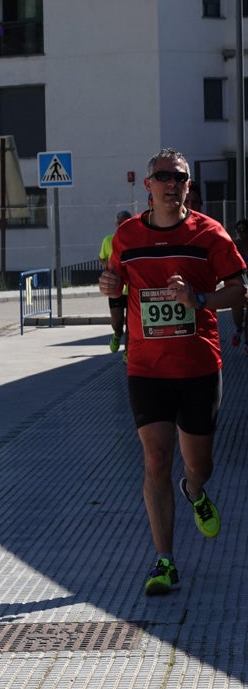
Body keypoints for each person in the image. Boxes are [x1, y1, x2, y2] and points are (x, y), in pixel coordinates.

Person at [99, 147, 247, 597]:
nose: (171, 183)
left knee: (197, 464)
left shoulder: (211, 234)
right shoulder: (126, 236)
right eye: (163, 176)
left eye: (179, 177)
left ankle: (195, 491)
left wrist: (199, 301)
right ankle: (165, 560)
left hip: (199, 366)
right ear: (148, 186)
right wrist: (109, 291)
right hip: (147, 368)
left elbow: (240, 292)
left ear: (188, 186)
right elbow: (115, 285)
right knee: (155, 459)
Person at [98, 209, 131, 354]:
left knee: (131, 324)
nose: (121, 226)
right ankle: (117, 335)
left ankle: (127, 352)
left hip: (133, 288)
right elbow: (101, 258)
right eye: (119, 223)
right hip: (116, 288)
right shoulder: (108, 240)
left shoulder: (137, 241)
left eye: (124, 223)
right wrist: (107, 265)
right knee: (118, 322)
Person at [230, 219, 248, 354]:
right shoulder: (234, 246)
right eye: (238, 231)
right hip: (240, 283)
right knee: (236, 307)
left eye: (244, 230)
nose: (241, 234)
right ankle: (238, 328)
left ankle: (247, 343)